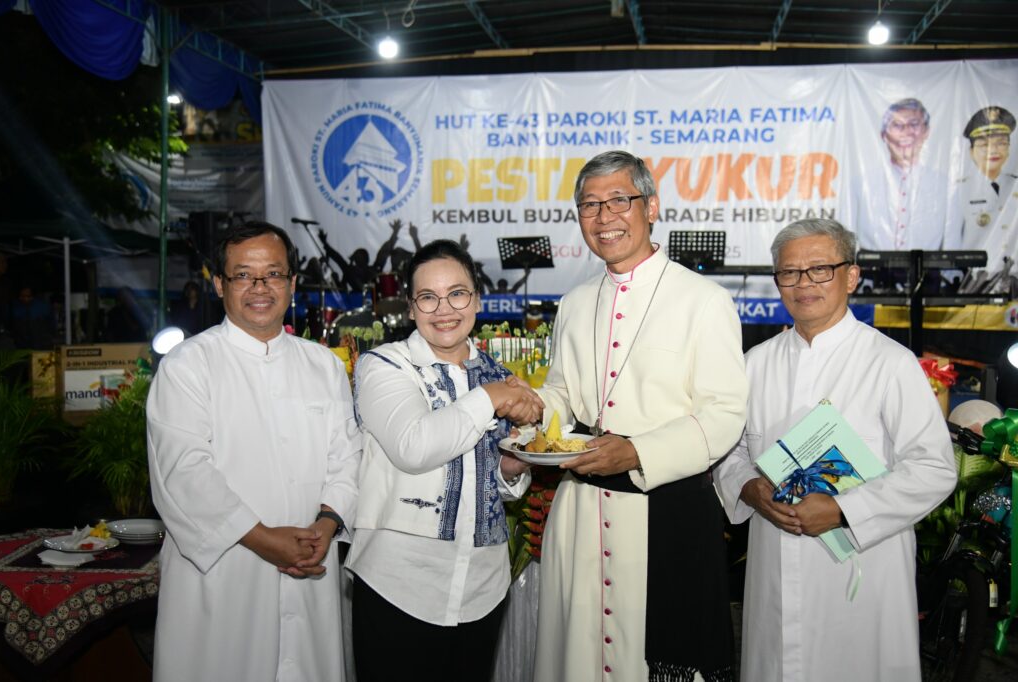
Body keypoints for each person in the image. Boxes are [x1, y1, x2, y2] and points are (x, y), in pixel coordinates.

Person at [532, 150, 749, 681]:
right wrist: (533, 419)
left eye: (618, 201)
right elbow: (561, 391)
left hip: (666, 512)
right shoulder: (575, 303)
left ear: (651, 206)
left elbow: (723, 414)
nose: (604, 217)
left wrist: (639, 451)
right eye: (589, 206)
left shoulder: (704, 300)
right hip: (580, 517)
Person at [714, 218, 956, 682]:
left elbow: (933, 468)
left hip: (863, 571)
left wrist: (844, 509)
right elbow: (729, 450)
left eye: (820, 269)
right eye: (789, 273)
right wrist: (748, 488)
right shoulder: (753, 365)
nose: (803, 284)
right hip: (774, 563)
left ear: (851, 276)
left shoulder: (889, 362)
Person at [146, 221, 360, 682]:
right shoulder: (188, 366)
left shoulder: (322, 363)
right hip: (225, 575)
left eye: (273, 274)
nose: (260, 288)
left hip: (311, 565)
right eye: (244, 275)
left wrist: (326, 525)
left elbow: (347, 458)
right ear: (220, 283)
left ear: (292, 284)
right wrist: (263, 539)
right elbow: (183, 473)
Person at [348, 238, 542, 681]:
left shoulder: (496, 372)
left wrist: (513, 468)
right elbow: (414, 447)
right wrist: (491, 398)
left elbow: (495, 474)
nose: (444, 309)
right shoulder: (386, 366)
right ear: (411, 308)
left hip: (482, 586)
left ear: (476, 299)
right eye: (428, 298)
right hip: (400, 582)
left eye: (457, 294)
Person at [855, 98, 960, 251]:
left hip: (929, 273)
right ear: (883, 135)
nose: (906, 132)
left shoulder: (945, 185)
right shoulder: (861, 184)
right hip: (873, 274)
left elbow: (952, 242)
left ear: (926, 131)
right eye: (897, 125)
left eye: (914, 124)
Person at [959, 106, 1017, 274]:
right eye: (984, 144)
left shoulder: (1014, 185)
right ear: (971, 152)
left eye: (1001, 143)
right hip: (975, 278)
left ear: (1009, 149)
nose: (993, 150)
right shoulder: (960, 191)